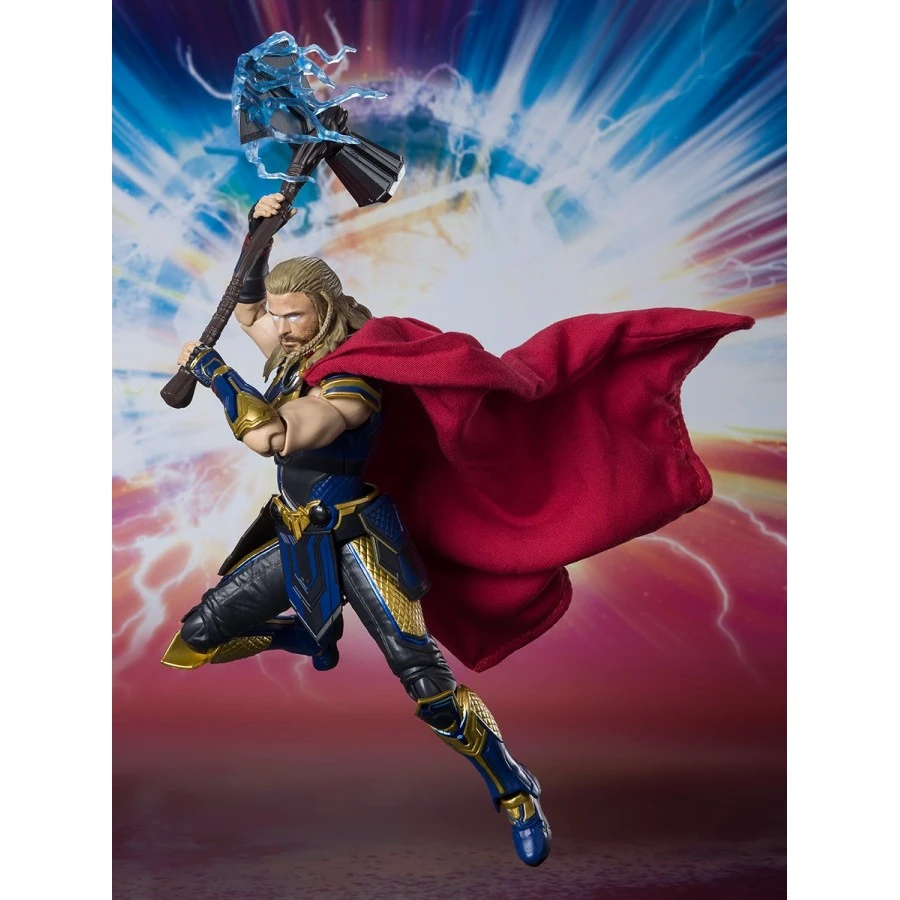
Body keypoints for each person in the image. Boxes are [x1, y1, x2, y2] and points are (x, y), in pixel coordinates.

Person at [162, 193, 754, 868]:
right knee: (195, 639)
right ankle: (309, 635)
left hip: (359, 542)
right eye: (278, 314)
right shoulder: (296, 350)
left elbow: (276, 436)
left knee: (427, 684)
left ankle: (515, 790)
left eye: (292, 315)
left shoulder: (354, 381)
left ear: (324, 309)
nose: (278, 326)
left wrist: (217, 376)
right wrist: (259, 234)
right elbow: (245, 309)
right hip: (297, 535)